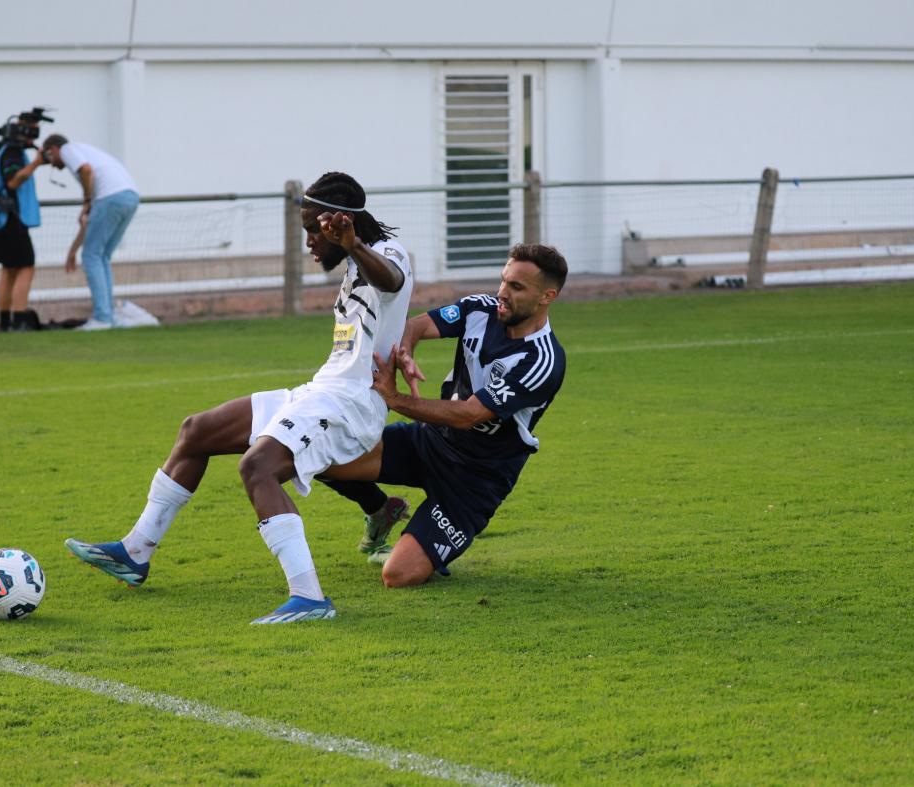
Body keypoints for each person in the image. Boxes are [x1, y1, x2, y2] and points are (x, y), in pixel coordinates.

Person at [65, 172, 413, 623]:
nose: (308, 240)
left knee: (257, 466)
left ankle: (309, 598)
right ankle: (135, 552)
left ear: (339, 223)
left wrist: (353, 245)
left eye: (312, 228)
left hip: (351, 406)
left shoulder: (385, 253)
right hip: (320, 391)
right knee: (197, 431)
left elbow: (392, 281)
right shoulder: (353, 265)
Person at [319, 243, 568, 588]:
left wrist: (394, 398)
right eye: (503, 281)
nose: (502, 293)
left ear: (547, 296)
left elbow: (469, 415)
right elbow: (417, 325)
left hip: (474, 480)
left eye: (516, 287)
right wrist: (405, 352)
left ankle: (431, 544)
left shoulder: (542, 361)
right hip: (429, 442)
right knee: (320, 455)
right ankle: (381, 510)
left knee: (397, 575)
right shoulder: (480, 308)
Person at [40, 134, 139, 331]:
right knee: (101, 256)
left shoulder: (68, 150)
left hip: (110, 197)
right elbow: (87, 223)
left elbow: (85, 169)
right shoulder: (87, 151)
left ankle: (102, 318)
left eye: (49, 157)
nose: (51, 164)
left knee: (93, 256)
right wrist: (72, 251)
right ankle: (109, 315)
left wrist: (86, 200)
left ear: (53, 149)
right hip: (130, 196)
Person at [0, 111, 46, 332]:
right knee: (25, 267)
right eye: (31, 131)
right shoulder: (12, 152)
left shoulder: (5, 150)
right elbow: (13, 181)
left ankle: (5, 322)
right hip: (11, 219)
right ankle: (19, 319)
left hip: (2, 219)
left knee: (9, 269)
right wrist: (37, 163)